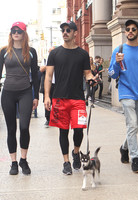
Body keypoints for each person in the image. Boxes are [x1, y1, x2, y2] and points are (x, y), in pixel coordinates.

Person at [44, 21, 98, 175]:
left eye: (68, 30)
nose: (65, 32)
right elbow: (48, 76)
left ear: (75, 33)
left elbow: (87, 73)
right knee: (63, 131)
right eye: (63, 30)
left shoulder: (82, 54)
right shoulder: (54, 53)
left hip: (78, 99)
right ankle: (66, 161)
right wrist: (47, 96)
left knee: (79, 129)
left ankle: (76, 152)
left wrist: (91, 78)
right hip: (59, 98)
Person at [0, 21, 39, 175]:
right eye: (13, 30)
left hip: (25, 92)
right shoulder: (3, 52)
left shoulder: (31, 51)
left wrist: (36, 96)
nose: (16, 33)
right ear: (10, 33)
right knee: (11, 129)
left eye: (19, 30)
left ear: (24, 33)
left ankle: (24, 160)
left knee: (24, 127)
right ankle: (13, 162)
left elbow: (36, 75)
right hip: (8, 93)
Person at [108, 19, 138, 173]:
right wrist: (115, 62)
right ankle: (136, 159)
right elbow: (112, 74)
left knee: (137, 125)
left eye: (133, 29)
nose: (130, 31)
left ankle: (124, 147)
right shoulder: (119, 50)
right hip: (125, 92)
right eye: (127, 29)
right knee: (132, 125)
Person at [40, 47, 55, 127]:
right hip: (47, 84)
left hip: (57, 83)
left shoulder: (59, 59)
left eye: (52, 51)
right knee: (47, 101)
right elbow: (41, 69)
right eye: (50, 52)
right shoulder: (45, 60)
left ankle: (55, 118)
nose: (51, 53)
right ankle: (48, 119)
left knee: (57, 102)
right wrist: (50, 65)